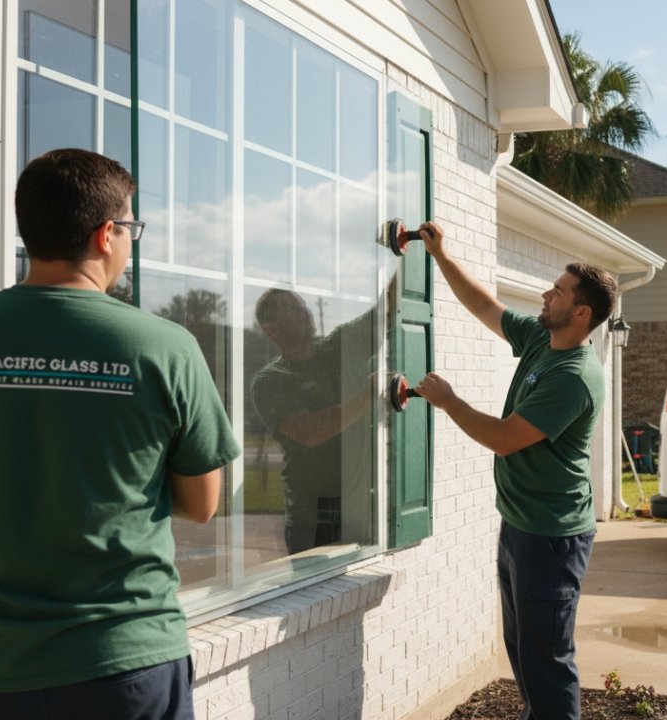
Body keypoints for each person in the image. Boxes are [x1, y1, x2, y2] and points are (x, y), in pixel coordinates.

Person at [0, 148, 240, 719]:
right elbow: (201, 504)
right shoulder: (165, 347)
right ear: (107, 234)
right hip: (126, 660)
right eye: (132, 227)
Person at [410, 221, 617, 720]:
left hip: (552, 536)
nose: (547, 294)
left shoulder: (573, 377)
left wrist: (449, 401)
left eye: (559, 291)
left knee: (548, 657)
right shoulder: (545, 342)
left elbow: (504, 439)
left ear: (581, 312)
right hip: (522, 524)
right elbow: (485, 306)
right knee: (524, 649)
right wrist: (442, 256)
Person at [251, 289, 373, 555]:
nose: (304, 310)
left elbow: (385, 311)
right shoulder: (271, 380)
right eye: (291, 309)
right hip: (314, 515)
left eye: (302, 305)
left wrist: (417, 253)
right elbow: (310, 432)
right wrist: (370, 394)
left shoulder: (334, 348)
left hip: (359, 501)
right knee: (316, 587)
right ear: (270, 328)